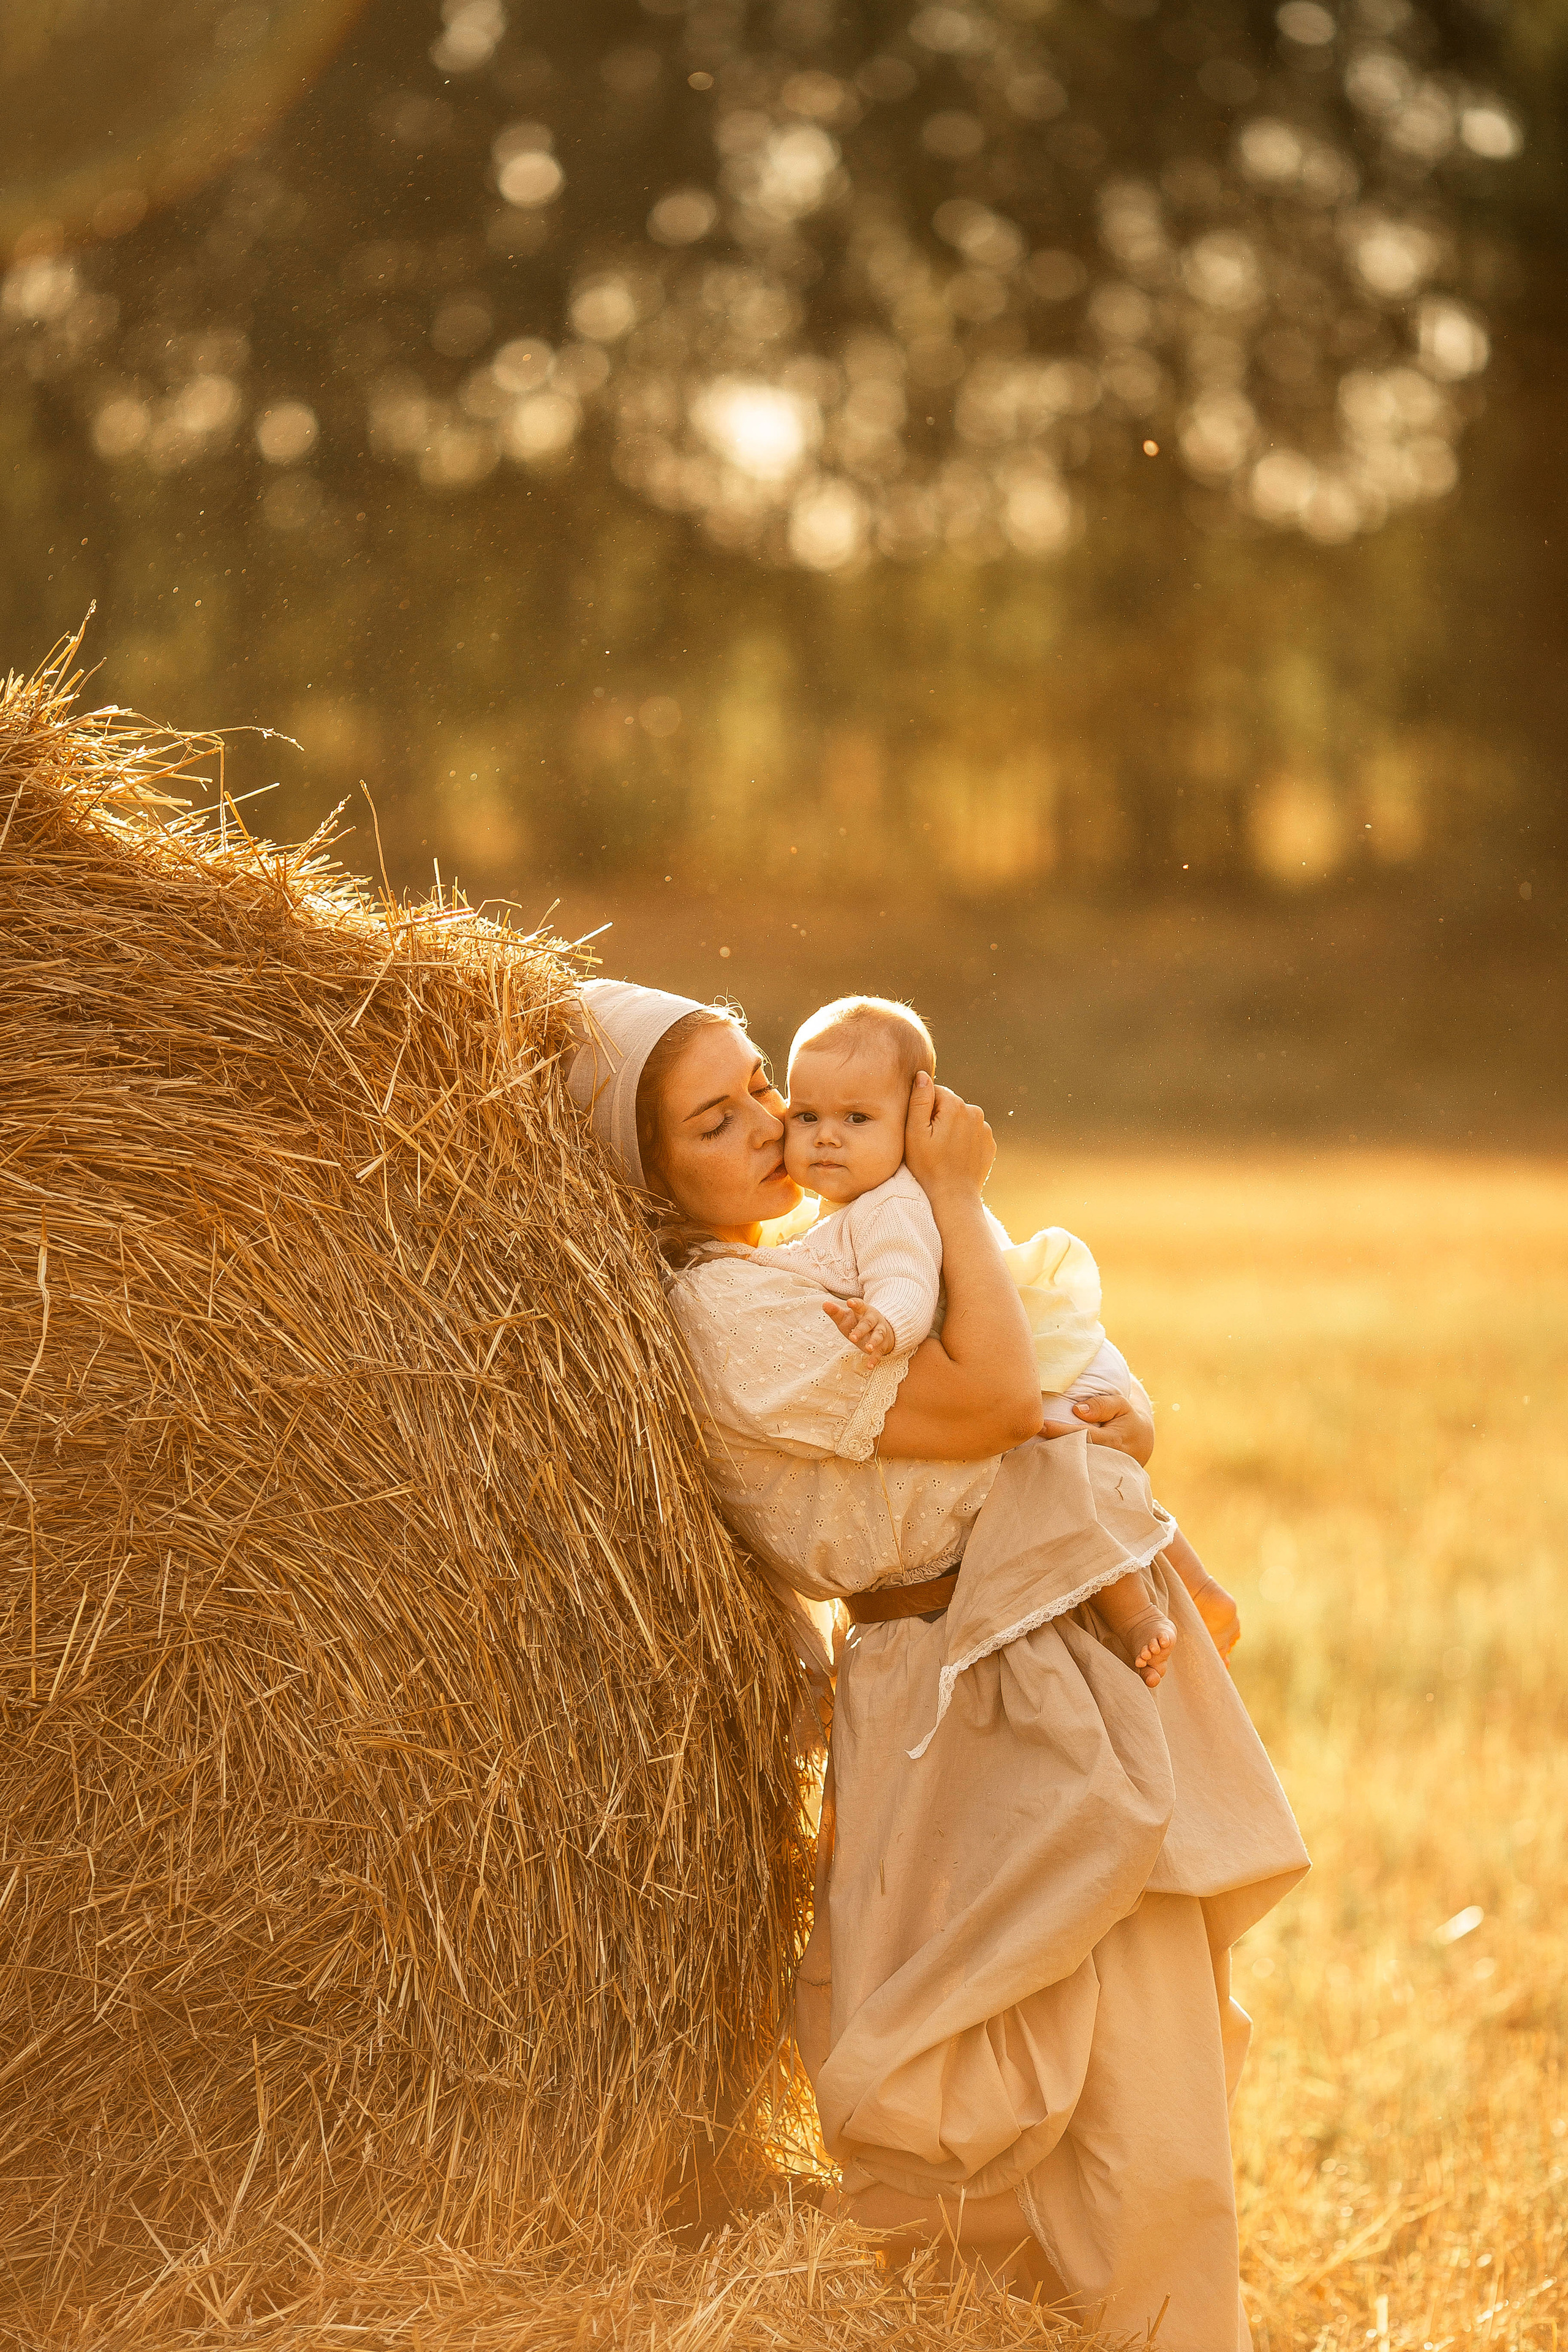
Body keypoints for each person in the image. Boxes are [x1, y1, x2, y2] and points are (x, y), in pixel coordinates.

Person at [567, 979, 1309, 2351]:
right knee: (983, 2098)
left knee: (1141, 2081)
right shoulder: (722, 1313)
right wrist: (955, 1192)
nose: (773, 1126)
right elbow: (992, 1402)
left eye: (763, 1087)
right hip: (957, 1679)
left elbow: (1042, 1369)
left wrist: (1109, 1410)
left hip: (1043, 1638)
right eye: (715, 1122)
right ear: (646, 1177)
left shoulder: (829, 1256)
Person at [774, 990, 1245, 1686]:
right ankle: (1193, 1586)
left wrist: (886, 1323)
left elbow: (905, 1281)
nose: (826, 1137)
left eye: (857, 1118)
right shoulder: (868, 1203)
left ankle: (1141, 1612)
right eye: (806, 1116)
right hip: (1056, 1352)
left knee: (1049, 1469)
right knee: (1072, 1469)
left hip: (1046, 1366)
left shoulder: (892, 1205)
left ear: (919, 1122)